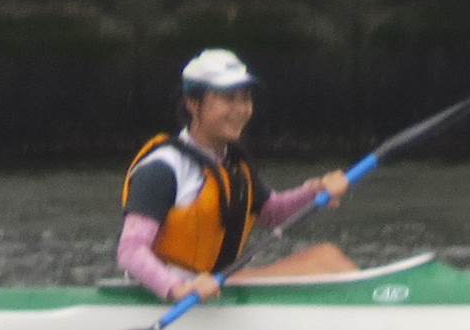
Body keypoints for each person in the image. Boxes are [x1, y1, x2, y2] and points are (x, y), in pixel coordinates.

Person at [118, 50, 351, 302]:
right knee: (326, 265)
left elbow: (271, 213)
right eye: (228, 99)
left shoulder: (232, 164)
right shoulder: (162, 169)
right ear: (193, 103)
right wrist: (176, 289)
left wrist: (314, 193)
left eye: (245, 99)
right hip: (177, 294)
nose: (241, 109)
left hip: (215, 286)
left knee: (327, 255)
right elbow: (130, 251)